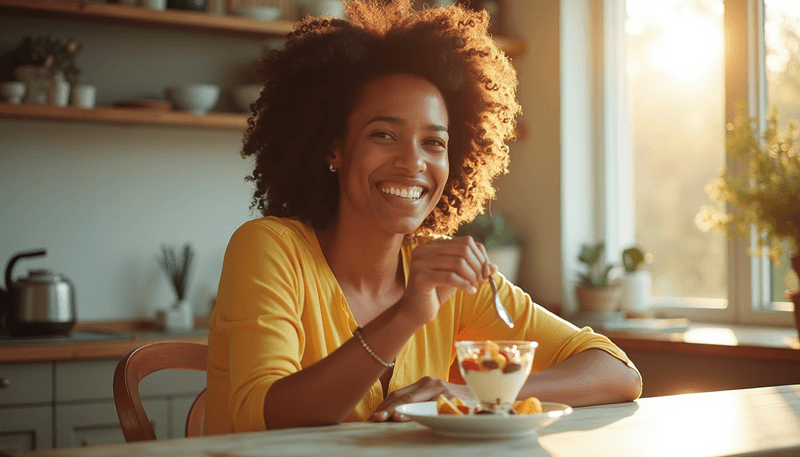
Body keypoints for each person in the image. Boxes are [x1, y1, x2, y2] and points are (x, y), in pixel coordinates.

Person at [204, 0, 641, 435]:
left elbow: (618, 372)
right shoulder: (269, 249)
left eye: (434, 142)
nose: (413, 162)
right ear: (334, 147)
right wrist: (407, 315)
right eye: (384, 135)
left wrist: (484, 393)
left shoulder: (447, 276)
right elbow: (263, 415)